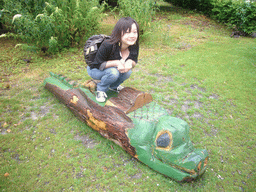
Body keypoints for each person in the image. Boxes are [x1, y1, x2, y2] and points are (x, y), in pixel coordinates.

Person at [87, 17, 139, 102]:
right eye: (127, 32)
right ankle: (101, 90)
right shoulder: (108, 44)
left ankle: (114, 86)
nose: (132, 36)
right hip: (95, 69)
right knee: (113, 73)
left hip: (111, 70)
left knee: (128, 72)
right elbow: (96, 64)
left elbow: (134, 60)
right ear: (119, 33)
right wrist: (117, 63)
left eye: (134, 32)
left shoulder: (133, 45)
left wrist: (130, 63)